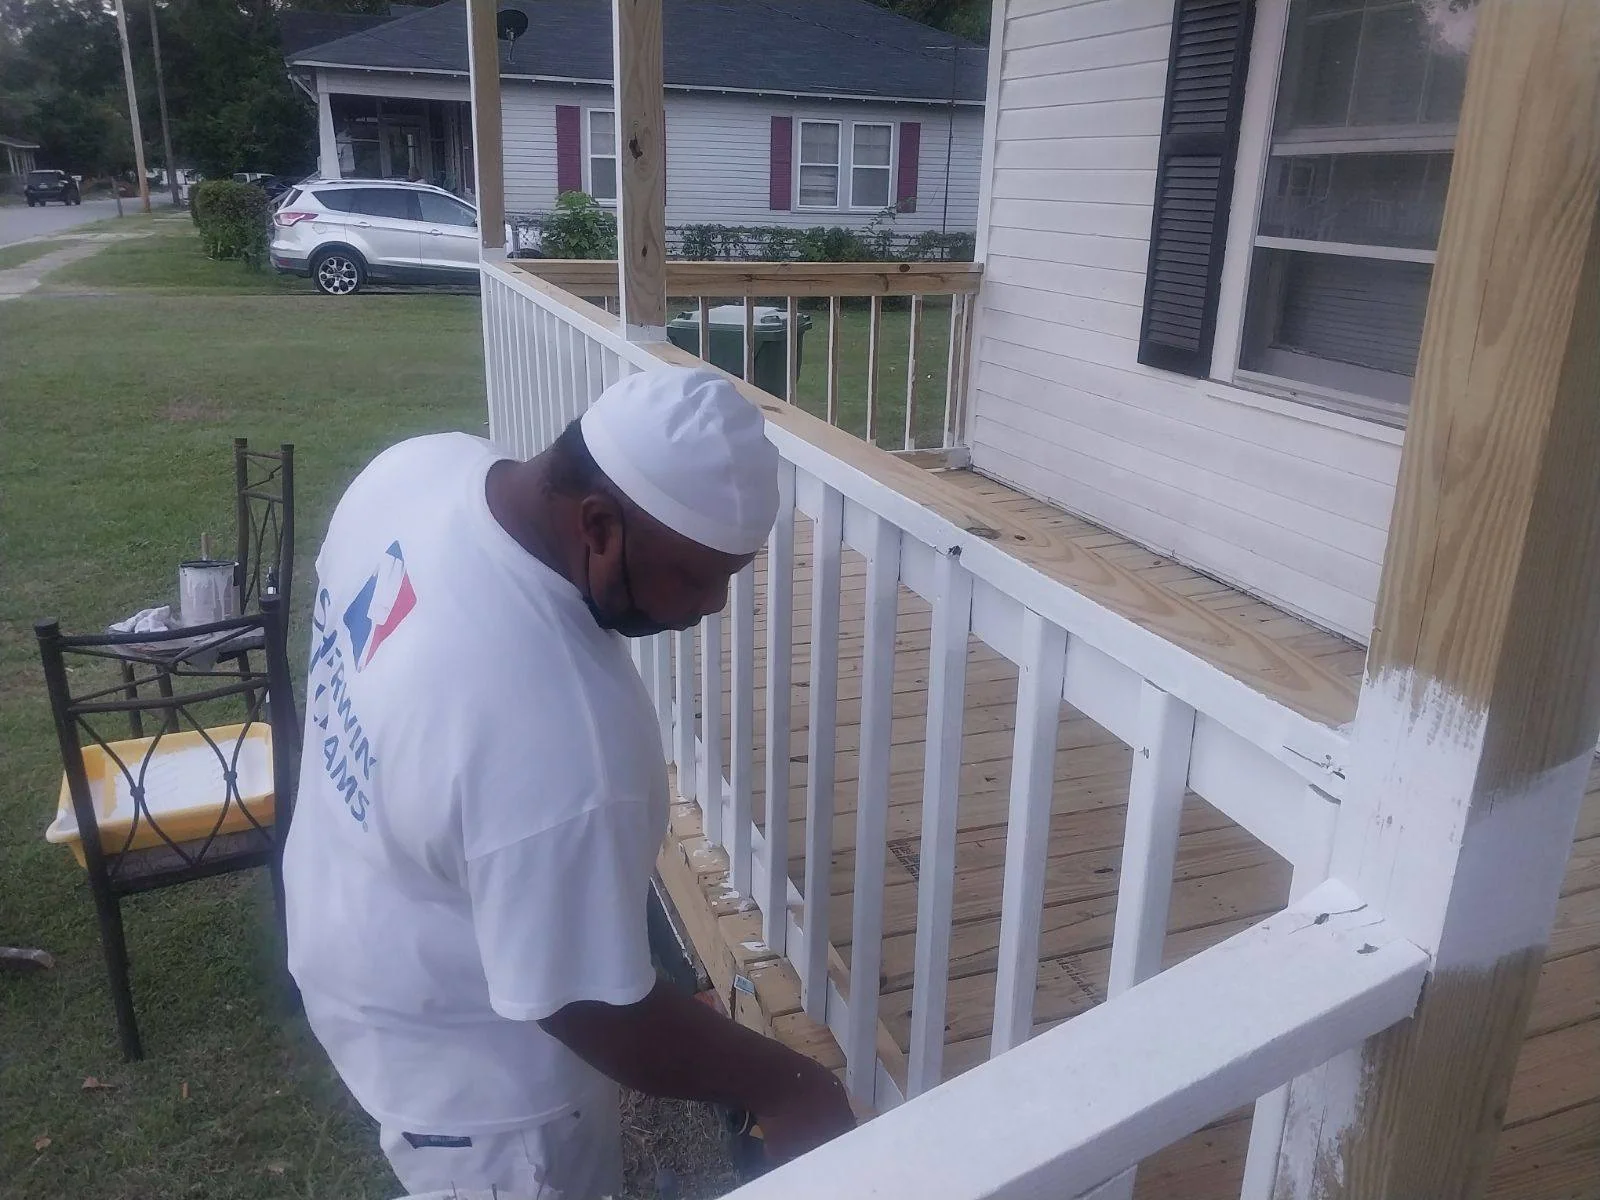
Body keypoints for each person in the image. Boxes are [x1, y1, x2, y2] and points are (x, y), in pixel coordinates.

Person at [282, 367, 855, 1199]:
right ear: (598, 525)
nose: (713, 606)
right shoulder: (557, 732)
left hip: (361, 933)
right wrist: (793, 1088)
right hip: (487, 1107)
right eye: (697, 576)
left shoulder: (419, 469)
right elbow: (593, 1010)